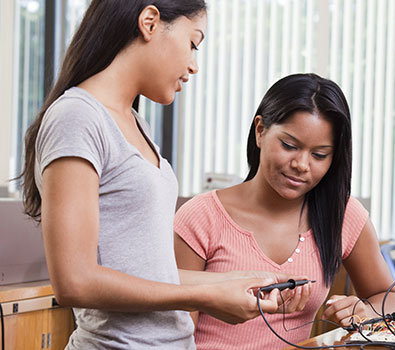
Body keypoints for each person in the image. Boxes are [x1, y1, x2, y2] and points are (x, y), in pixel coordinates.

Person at [19, 1, 296, 349]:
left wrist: (241, 281)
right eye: (193, 43)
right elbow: (76, 281)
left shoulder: (137, 125)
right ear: (149, 22)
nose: (194, 65)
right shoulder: (77, 117)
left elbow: (149, 275)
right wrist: (205, 300)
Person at [174, 73, 395, 349]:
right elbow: (175, 334)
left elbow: (385, 296)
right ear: (260, 131)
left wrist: (367, 312)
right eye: (289, 146)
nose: (302, 165)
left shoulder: (341, 214)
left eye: (319, 155)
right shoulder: (201, 216)